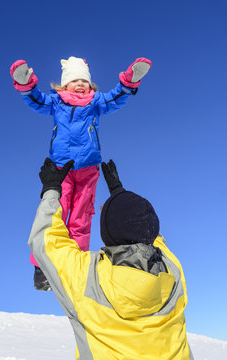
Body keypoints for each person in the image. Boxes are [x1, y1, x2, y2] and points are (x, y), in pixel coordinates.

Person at [28, 158, 193, 360]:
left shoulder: (88, 278)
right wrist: (120, 194)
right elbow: (151, 235)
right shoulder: (172, 270)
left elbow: (45, 240)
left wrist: (51, 190)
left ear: (108, 233)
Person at [10, 56, 152, 291]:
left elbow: (116, 98)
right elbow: (36, 101)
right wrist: (26, 84)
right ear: (64, 85)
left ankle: (77, 265)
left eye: (83, 80)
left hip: (88, 169)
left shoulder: (95, 102)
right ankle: (40, 268)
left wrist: (130, 81)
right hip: (61, 169)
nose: (80, 84)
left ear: (90, 84)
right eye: (74, 80)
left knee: (81, 218)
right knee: (55, 214)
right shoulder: (56, 102)